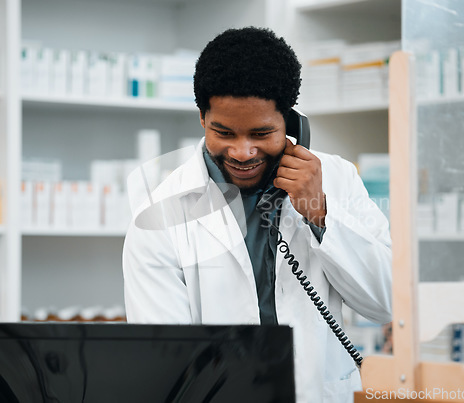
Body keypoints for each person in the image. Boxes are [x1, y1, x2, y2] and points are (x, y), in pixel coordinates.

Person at [123, 26, 392, 403]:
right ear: (202, 118)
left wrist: (319, 213)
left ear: (292, 123)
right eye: (225, 132)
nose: (242, 152)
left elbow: (384, 302)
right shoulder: (160, 215)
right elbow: (167, 359)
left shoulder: (338, 179)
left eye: (261, 133)